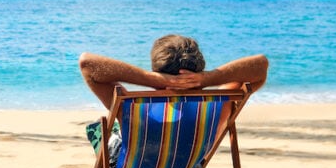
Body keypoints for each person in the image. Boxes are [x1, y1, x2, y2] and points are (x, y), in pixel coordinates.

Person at [78, 34, 268, 108]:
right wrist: (207, 79)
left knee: (99, 130)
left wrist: (153, 80)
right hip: (187, 167)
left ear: (156, 70)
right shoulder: (219, 105)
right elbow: (261, 65)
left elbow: (87, 63)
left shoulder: (134, 109)